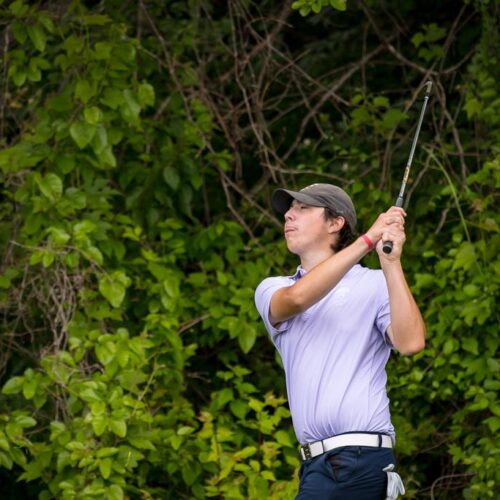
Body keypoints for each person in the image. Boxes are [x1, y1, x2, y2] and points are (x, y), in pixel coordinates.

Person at [254, 183, 426, 499]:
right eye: (289, 210)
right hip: (316, 465)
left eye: (303, 208)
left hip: (359, 458)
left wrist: (390, 263)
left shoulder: (373, 284)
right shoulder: (273, 288)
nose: (289, 215)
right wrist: (367, 240)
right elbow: (296, 299)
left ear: (336, 223)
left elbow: (411, 342)